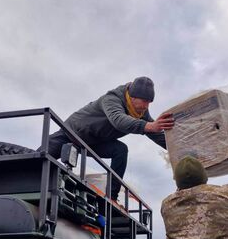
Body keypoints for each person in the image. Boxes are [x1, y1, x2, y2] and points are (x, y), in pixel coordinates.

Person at [46, 77, 174, 199]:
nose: (146, 106)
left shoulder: (141, 112)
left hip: (94, 142)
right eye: (144, 101)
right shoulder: (112, 99)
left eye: (149, 102)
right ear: (132, 96)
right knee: (37, 159)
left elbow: (156, 134)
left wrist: (177, 148)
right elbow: (118, 120)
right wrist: (149, 126)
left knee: (120, 150)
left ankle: (112, 196)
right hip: (71, 133)